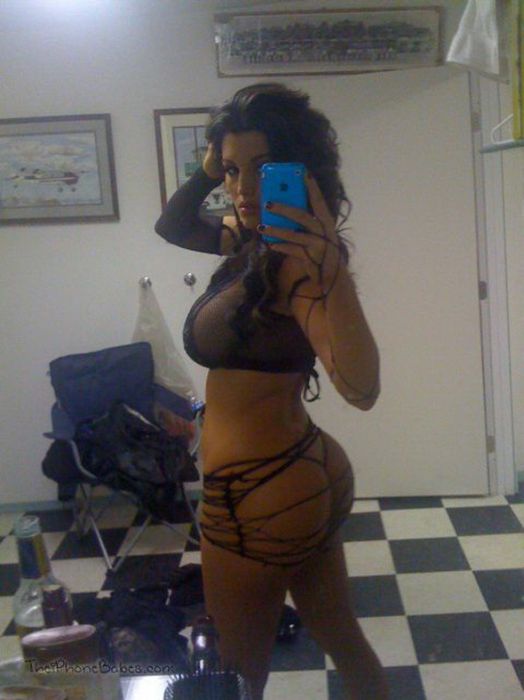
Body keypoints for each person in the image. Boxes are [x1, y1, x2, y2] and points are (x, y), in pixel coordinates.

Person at [155, 83, 387, 700]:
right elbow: (172, 224)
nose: (243, 189)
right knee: (343, 639)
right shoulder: (251, 244)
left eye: (264, 169)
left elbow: (361, 387)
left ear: (301, 172)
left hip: (255, 494)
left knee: (238, 676)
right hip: (299, 475)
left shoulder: (297, 264)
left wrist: (331, 270)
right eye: (233, 171)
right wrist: (211, 164)